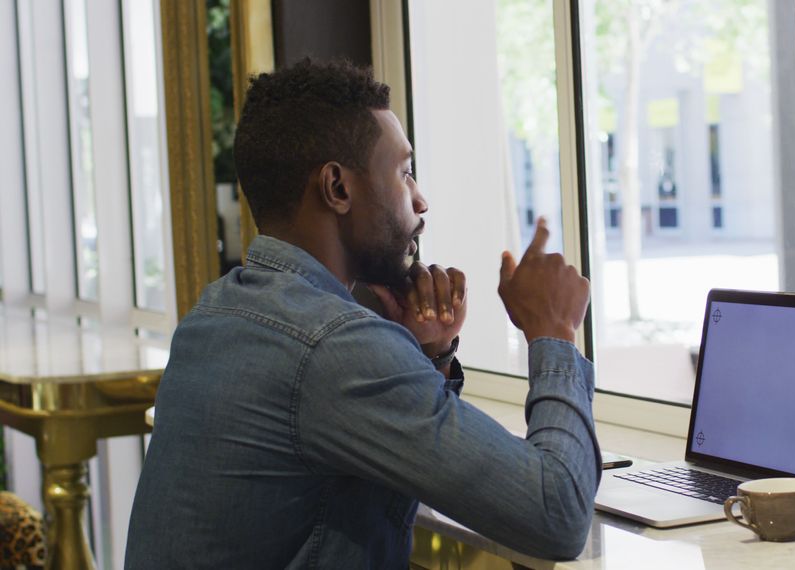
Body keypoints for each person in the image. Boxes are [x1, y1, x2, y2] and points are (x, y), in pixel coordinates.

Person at [125, 59, 599, 568]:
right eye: (405, 172)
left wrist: (428, 355)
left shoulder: (217, 312)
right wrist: (554, 331)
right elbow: (558, 514)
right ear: (338, 188)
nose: (421, 200)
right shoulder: (334, 346)